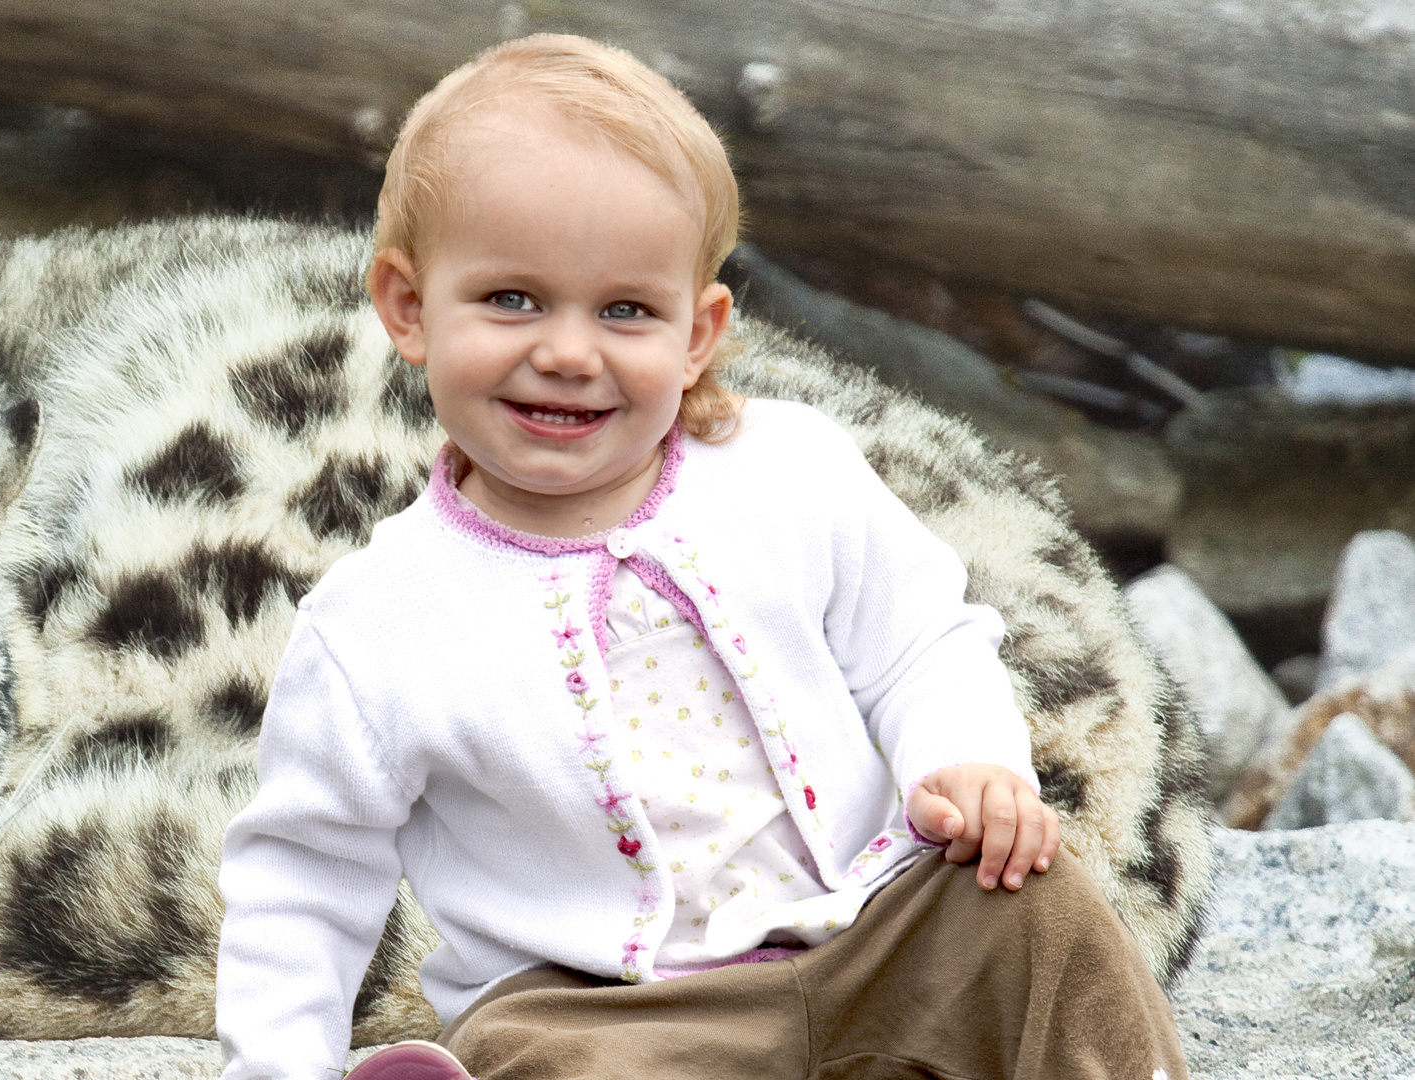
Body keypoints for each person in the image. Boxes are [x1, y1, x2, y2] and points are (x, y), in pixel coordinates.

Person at [213, 34, 1188, 1080]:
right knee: (534, 1055)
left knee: (1035, 914)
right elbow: (306, 878)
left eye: (625, 310)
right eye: (511, 300)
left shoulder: (787, 471)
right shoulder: (377, 620)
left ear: (699, 332)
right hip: (613, 1013)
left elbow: (922, 645)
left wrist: (965, 760)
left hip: (871, 935)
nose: (569, 351)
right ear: (408, 306)